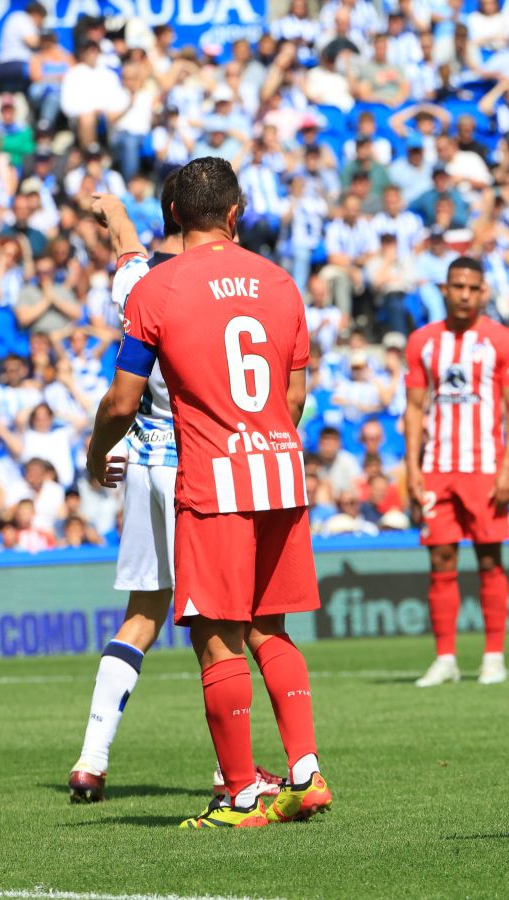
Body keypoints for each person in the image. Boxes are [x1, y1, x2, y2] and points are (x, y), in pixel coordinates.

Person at [87, 157, 329, 828]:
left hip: (213, 475)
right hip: (280, 468)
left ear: (172, 217)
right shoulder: (280, 282)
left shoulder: (156, 291)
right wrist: (265, 440)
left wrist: (96, 453)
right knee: (269, 628)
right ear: (235, 214)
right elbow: (296, 394)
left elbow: (122, 399)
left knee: (216, 636)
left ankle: (243, 791)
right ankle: (305, 771)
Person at [404, 257, 509, 687]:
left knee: (490, 560)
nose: (464, 294)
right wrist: (412, 468)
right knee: (440, 560)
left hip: (485, 468)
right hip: (437, 467)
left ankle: (493, 655)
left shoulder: (503, 341)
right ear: (444, 288)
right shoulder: (422, 342)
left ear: (483, 292)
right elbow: (415, 409)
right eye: (457, 286)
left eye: (473, 288)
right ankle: (446, 658)